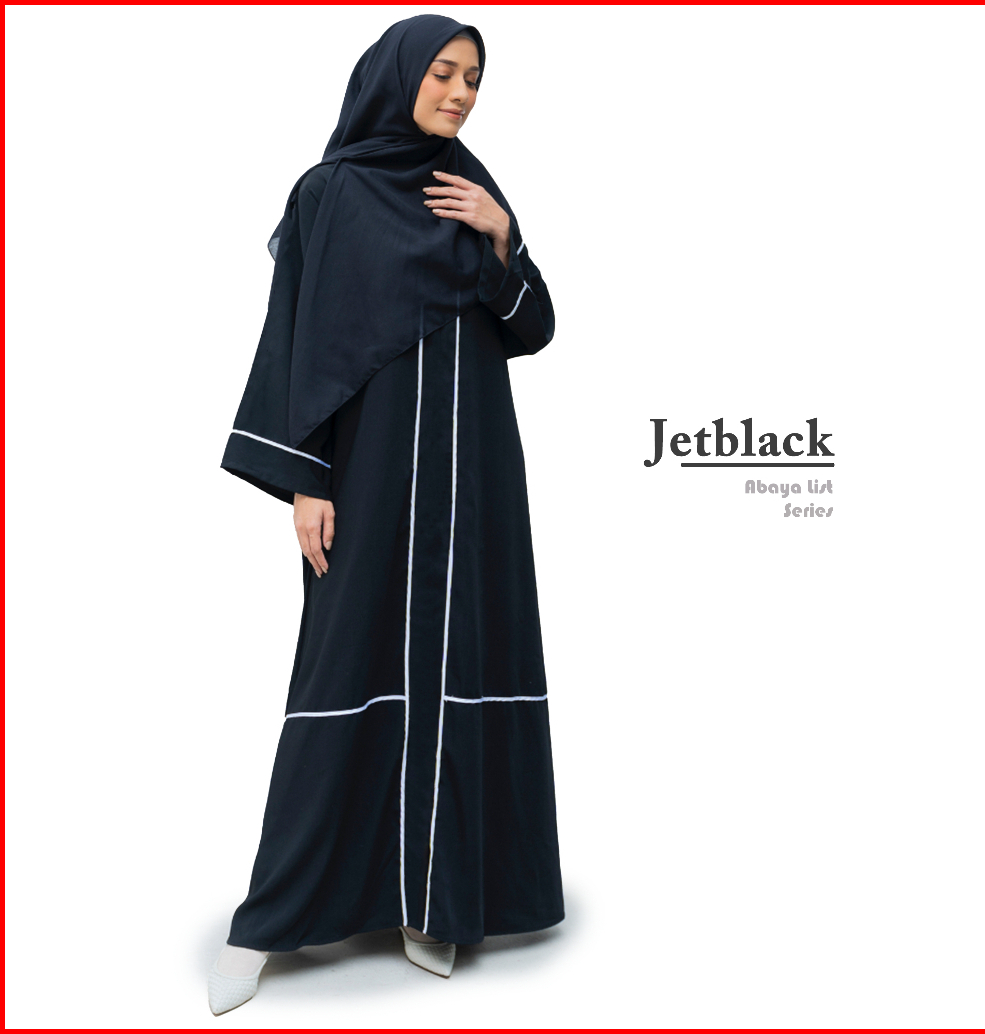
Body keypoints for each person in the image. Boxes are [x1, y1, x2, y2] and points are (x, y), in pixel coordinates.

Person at [209, 14, 563, 1015]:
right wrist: (306, 478)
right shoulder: (330, 193)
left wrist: (503, 238)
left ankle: (432, 901)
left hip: (473, 476)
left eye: (473, 79)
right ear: (395, 75)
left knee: (460, 663)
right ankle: (268, 919)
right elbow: (295, 336)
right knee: (346, 665)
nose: (460, 93)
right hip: (366, 473)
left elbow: (532, 327)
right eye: (443, 72)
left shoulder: (470, 188)